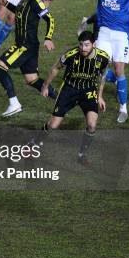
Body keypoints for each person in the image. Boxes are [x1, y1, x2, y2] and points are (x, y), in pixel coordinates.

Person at [35, 31, 110, 166]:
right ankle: (33, 144)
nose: (83, 48)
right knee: (53, 124)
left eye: (87, 45)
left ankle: (82, 155)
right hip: (69, 89)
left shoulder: (103, 58)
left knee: (92, 125)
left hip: (88, 90)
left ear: (94, 44)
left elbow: (103, 75)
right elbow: (55, 68)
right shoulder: (71, 55)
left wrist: (100, 96)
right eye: (81, 45)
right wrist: (45, 86)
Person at [0, 0, 57, 117]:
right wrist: (7, 4)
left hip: (24, 46)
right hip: (29, 46)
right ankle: (61, 100)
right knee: (32, 80)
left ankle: (14, 103)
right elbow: (21, 12)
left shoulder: (35, 0)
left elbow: (50, 19)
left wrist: (48, 38)